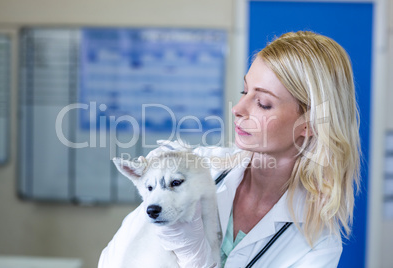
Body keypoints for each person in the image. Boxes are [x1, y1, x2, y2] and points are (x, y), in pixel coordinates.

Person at [98, 31, 361, 267]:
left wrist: (194, 258)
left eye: (263, 103)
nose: (237, 109)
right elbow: (115, 258)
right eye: (244, 91)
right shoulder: (195, 169)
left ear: (310, 124)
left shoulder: (318, 245)